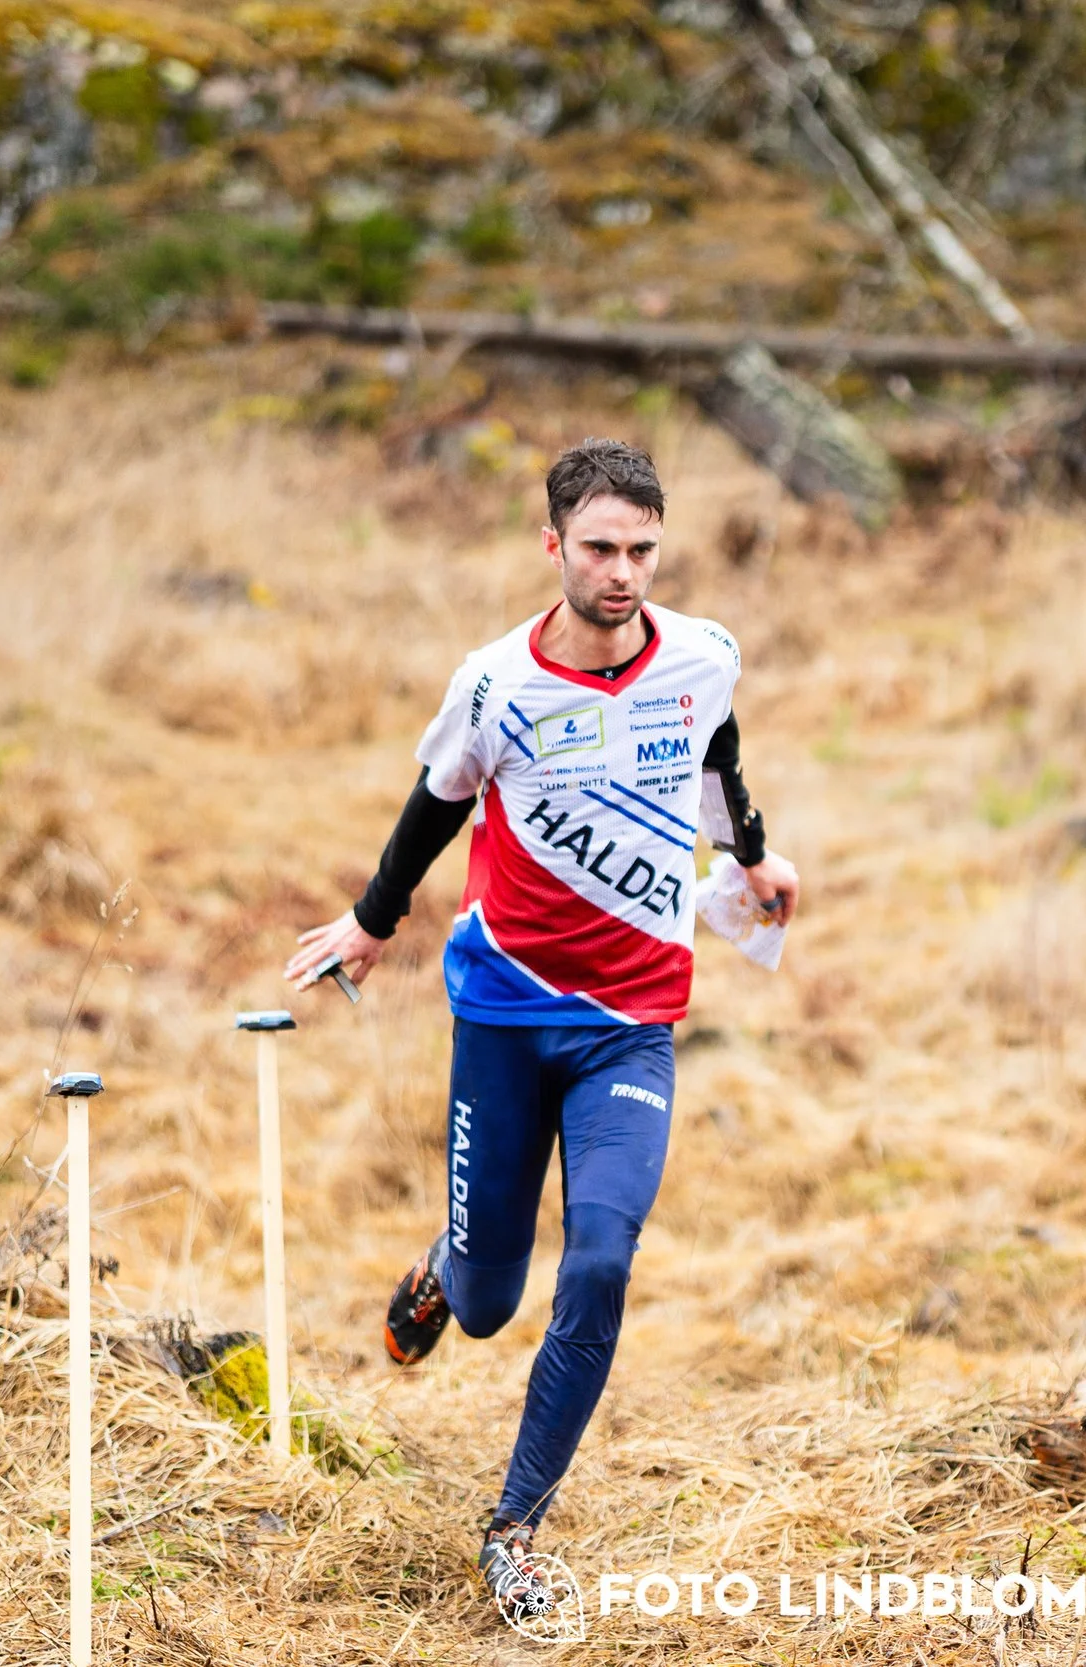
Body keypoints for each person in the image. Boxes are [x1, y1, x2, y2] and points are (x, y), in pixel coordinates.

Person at [285, 439, 799, 1627]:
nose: (623, 573)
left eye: (643, 550)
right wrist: (369, 926)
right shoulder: (496, 684)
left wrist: (754, 850)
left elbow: (718, 759)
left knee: (605, 1261)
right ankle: (444, 1265)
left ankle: (513, 1527)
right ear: (552, 543)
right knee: (485, 1303)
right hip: (506, 1016)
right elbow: (434, 805)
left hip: (633, 1024)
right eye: (601, 548)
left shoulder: (702, 656)